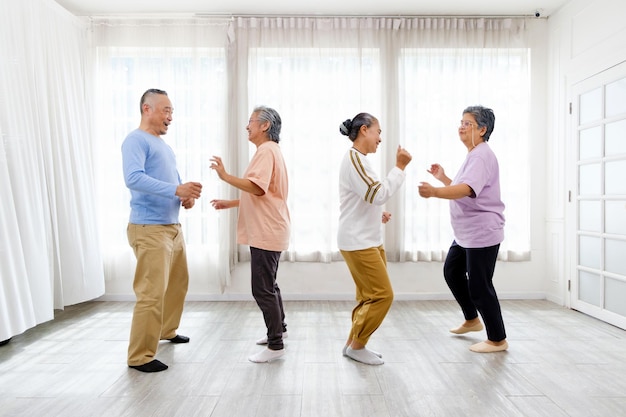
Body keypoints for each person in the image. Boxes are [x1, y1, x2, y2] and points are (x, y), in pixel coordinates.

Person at [122, 88, 203, 372]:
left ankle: (166, 330)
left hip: (171, 227)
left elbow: (173, 182)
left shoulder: (163, 146)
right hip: (149, 228)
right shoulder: (135, 140)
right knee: (151, 293)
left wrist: (185, 196)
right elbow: (133, 178)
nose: (170, 117)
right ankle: (139, 356)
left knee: (178, 284)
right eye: (165, 110)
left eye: (172, 112)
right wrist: (175, 189)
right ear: (147, 109)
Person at [418, 105, 508, 353]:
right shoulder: (474, 154)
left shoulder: (481, 155)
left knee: (480, 286)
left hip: (482, 232)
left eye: (467, 123)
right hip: (467, 233)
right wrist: (444, 179)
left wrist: (436, 192)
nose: (461, 126)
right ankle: (471, 319)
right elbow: (468, 190)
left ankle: (498, 339)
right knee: (452, 272)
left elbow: (467, 190)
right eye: (461, 122)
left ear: (482, 129)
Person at [210, 106, 290, 363]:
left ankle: (275, 346)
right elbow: (266, 193)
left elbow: (257, 188)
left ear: (265, 126)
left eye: (251, 121)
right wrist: (231, 203)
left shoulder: (266, 151)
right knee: (270, 285)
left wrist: (225, 176)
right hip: (271, 227)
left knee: (262, 289)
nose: (247, 126)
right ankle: (280, 331)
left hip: (266, 230)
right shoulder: (270, 151)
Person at [338, 112, 412, 365]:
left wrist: (377, 214)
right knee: (382, 295)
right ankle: (358, 346)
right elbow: (376, 193)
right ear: (364, 130)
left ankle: (352, 344)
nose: (380, 138)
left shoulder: (360, 160)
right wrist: (400, 167)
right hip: (358, 242)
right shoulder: (355, 159)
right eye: (378, 132)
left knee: (368, 297)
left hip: (367, 238)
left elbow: (366, 197)